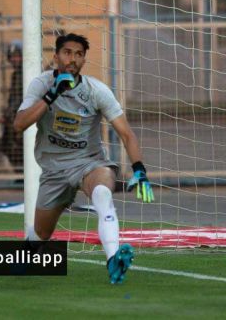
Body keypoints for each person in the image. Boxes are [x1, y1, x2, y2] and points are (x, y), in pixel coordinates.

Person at [13, 33, 154, 284]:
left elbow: (126, 133)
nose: (73, 59)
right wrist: (51, 95)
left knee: (102, 190)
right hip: (54, 170)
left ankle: (113, 259)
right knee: (41, 232)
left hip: (88, 163)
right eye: (67, 53)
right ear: (56, 56)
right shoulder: (41, 85)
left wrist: (139, 169)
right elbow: (19, 124)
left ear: (84, 60)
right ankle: (25, 256)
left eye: (78, 54)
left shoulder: (96, 90)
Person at [0, 40, 24, 174]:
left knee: (17, 147)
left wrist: (9, 114)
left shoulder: (26, 74)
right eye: (12, 57)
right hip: (14, 117)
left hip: (22, 117)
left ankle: (23, 174)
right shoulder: (16, 75)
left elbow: (21, 98)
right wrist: (7, 115)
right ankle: (20, 174)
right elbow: (13, 98)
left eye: (17, 56)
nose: (15, 60)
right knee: (8, 146)